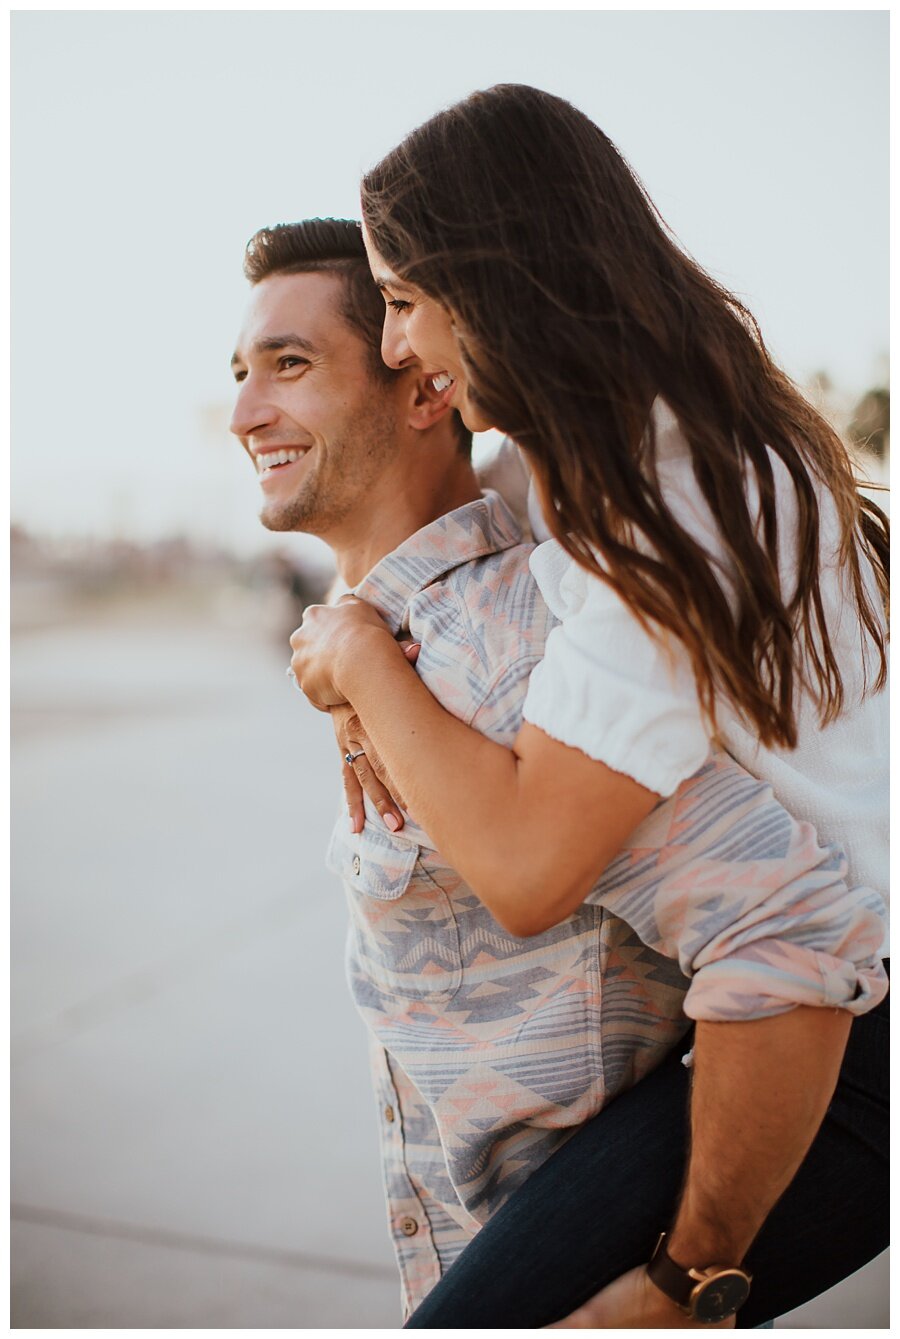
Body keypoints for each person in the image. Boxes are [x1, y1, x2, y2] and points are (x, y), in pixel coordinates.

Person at [287, 85, 889, 1328]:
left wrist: (359, 655)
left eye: (402, 298)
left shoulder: (668, 508)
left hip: (838, 1040)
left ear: (493, 278)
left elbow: (527, 864)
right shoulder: (653, 447)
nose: (399, 346)